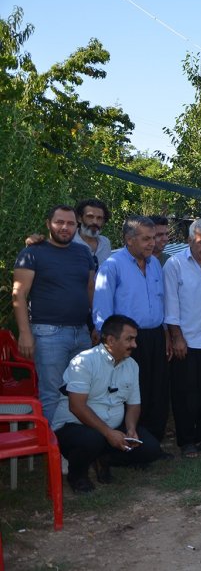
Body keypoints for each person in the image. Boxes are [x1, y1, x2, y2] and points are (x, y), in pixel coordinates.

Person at [52, 315, 163, 493]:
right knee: (92, 439)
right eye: (129, 339)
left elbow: (134, 404)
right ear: (111, 340)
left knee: (151, 448)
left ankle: (104, 458)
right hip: (74, 426)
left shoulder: (132, 365)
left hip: (112, 427)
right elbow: (77, 406)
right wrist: (108, 433)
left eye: (135, 339)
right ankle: (77, 476)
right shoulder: (84, 361)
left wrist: (131, 429)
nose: (134, 345)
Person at [13, 205, 97, 424]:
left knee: (81, 392)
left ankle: (75, 447)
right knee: (51, 394)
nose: (65, 227)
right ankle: (54, 451)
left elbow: (91, 289)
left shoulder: (83, 252)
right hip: (48, 333)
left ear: (77, 226)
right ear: (48, 223)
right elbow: (19, 294)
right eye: (59, 222)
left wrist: (97, 324)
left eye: (70, 223)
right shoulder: (32, 252)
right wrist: (25, 333)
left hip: (82, 332)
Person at [93, 216, 170, 444]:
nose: (152, 243)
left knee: (157, 390)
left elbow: (160, 302)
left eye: (154, 238)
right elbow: (102, 311)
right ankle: (130, 442)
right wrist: (111, 344)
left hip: (155, 335)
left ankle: (153, 443)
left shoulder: (155, 264)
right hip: (126, 340)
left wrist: (165, 335)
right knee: (132, 391)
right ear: (129, 240)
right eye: (146, 238)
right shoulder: (112, 266)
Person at [163, 219, 201, 458]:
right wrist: (176, 337)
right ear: (190, 241)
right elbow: (171, 304)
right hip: (186, 341)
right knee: (186, 394)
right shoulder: (175, 264)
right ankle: (187, 441)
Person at [73, 198, 113, 265]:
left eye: (99, 218)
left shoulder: (105, 243)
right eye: (90, 217)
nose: (95, 222)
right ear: (79, 218)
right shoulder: (69, 242)